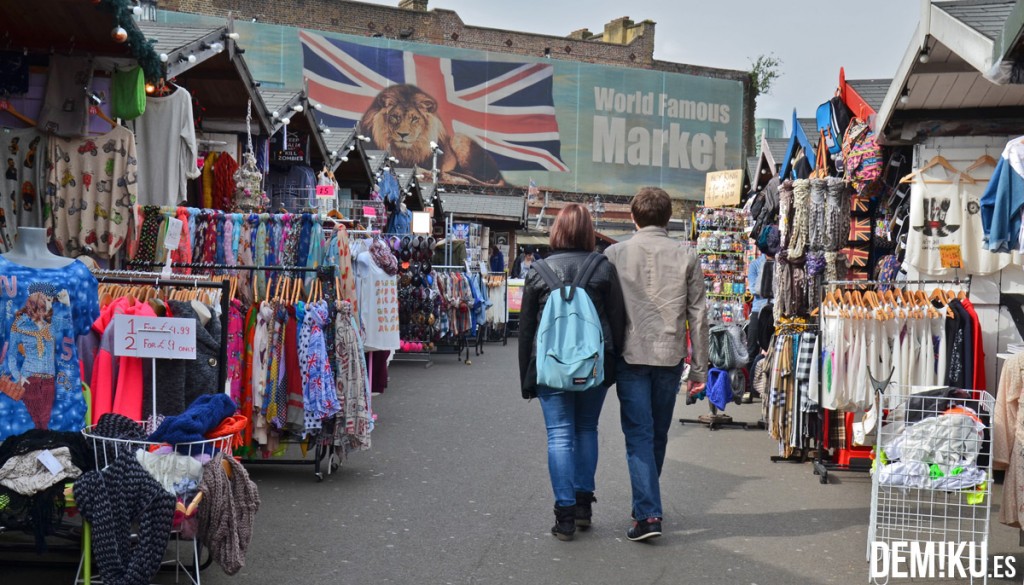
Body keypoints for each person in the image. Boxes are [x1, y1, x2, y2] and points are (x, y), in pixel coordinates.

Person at [604, 187, 708, 542]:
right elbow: (699, 317)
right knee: (657, 434)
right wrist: (699, 369)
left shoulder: (614, 254)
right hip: (670, 355)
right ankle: (646, 507)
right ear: (667, 219)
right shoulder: (687, 257)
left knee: (638, 435)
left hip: (629, 353)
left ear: (633, 218)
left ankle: (648, 514)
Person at [518, 204, 625, 541]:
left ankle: (563, 517)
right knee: (586, 428)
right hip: (594, 363)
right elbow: (618, 321)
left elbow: (525, 331)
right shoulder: (602, 267)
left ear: (557, 230)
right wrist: (613, 365)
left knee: (560, 435)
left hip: (550, 365)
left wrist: (527, 377)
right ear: (588, 231)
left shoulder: (538, 270)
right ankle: (583, 506)